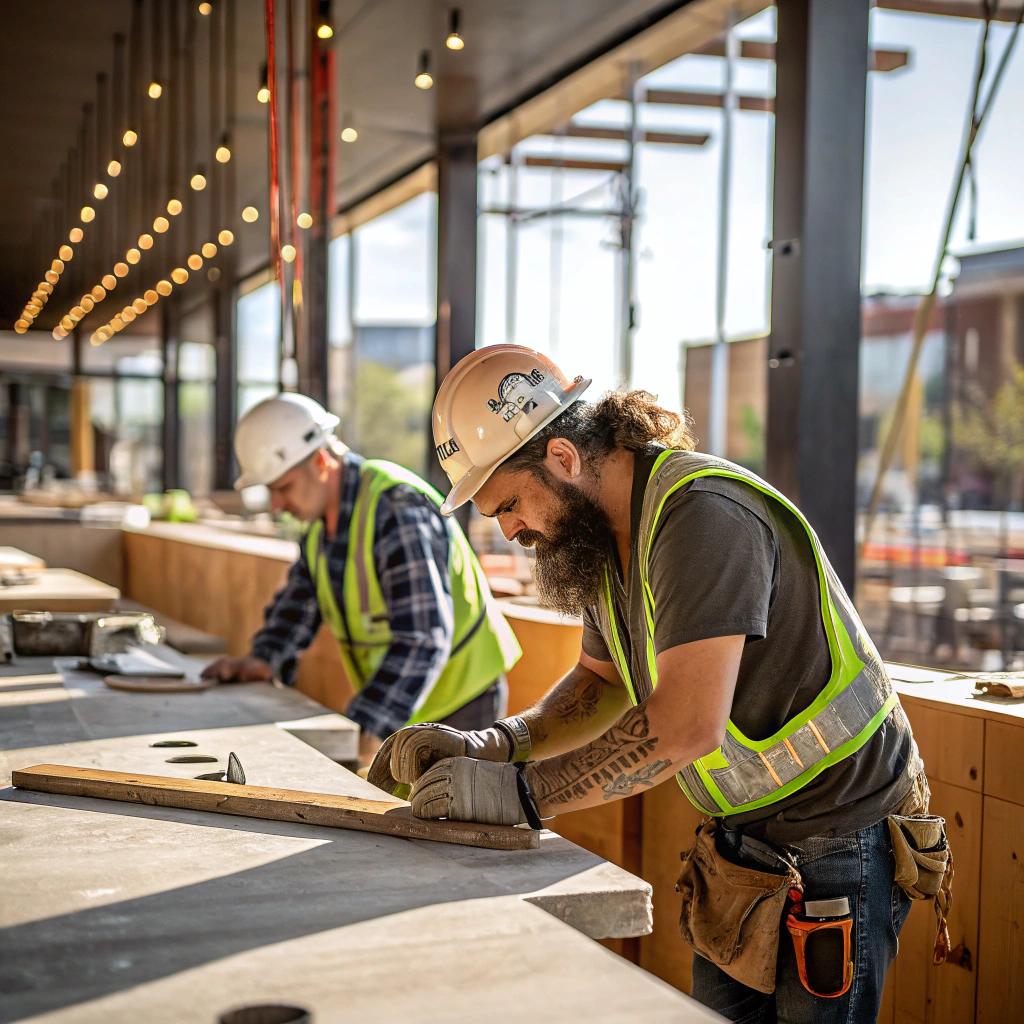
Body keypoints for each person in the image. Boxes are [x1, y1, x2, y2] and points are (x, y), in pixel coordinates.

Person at [369, 345, 944, 1023]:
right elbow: (597, 682)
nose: (511, 530)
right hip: (748, 842)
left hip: (843, 837)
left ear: (561, 458)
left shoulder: (701, 517)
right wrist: (494, 745)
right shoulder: (599, 535)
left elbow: (687, 725)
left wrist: (519, 794)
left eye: (510, 505)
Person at [202, 393, 522, 764]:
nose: (276, 505)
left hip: (460, 707)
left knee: (451, 816)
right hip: (403, 708)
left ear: (321, 462)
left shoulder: (395, 510)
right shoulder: (321, 527)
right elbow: (299, 603)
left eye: (282, 488)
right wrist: (264, 659)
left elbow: (422, 638)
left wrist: (365, 730)